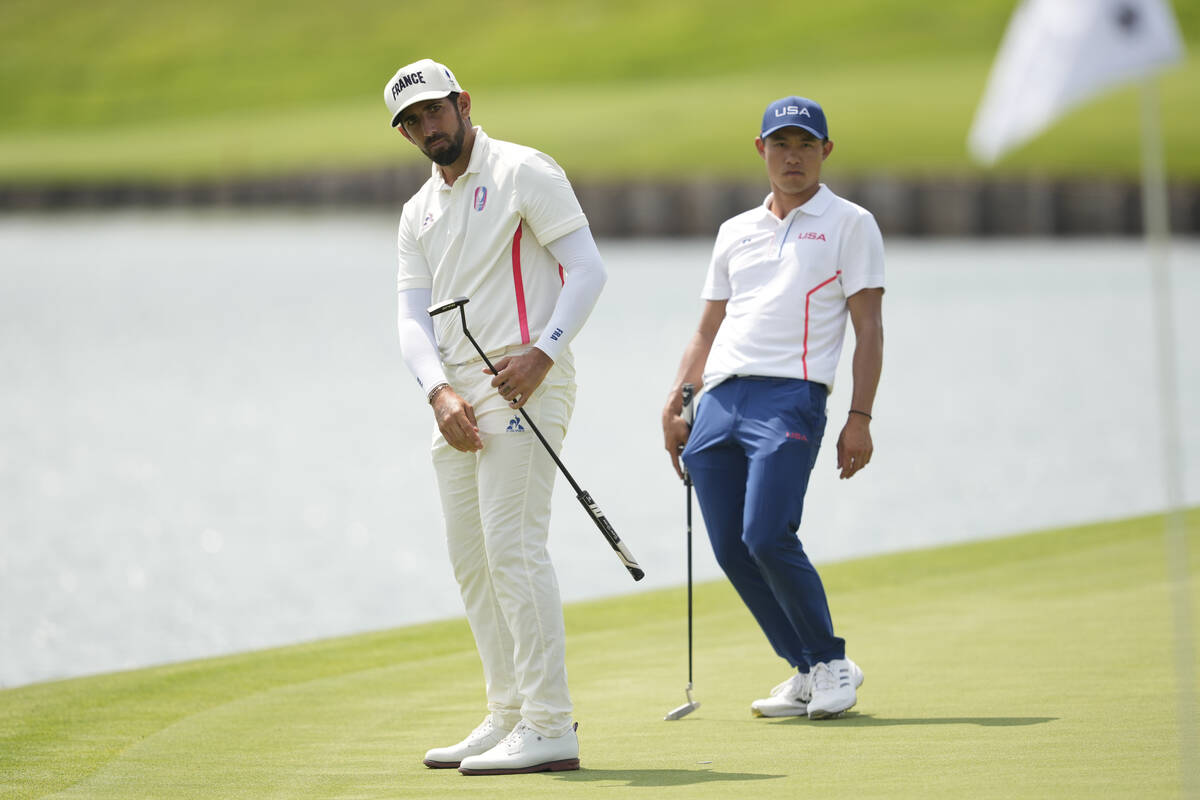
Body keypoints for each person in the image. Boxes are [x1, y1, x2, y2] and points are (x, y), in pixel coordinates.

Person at [384, 58, 607, 774]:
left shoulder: (523, 171)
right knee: (474, 563)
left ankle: (549, 724)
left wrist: (542, 355)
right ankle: (508, 712)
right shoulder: (419, 210)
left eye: (434, 112)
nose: (427, 129)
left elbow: (587, 269)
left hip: (525, 382)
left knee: (513, 547)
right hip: (456, 398)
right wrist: (436, 392)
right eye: (412, 122)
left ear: (463, 103)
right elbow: (410, 317)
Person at [661, 96, 884, 720]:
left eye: (806, 145)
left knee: (766, 533)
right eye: (781, 144)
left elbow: (869, 328)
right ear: (761, 149)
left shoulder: (850, 223)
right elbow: (707, 330)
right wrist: (680, 400)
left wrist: (859, 417)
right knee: (732, 549)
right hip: (719, 400)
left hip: (792, 395)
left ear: (826, 152)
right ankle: (806, 668)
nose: (793, 157)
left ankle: (833, 660)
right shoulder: (735, 231)